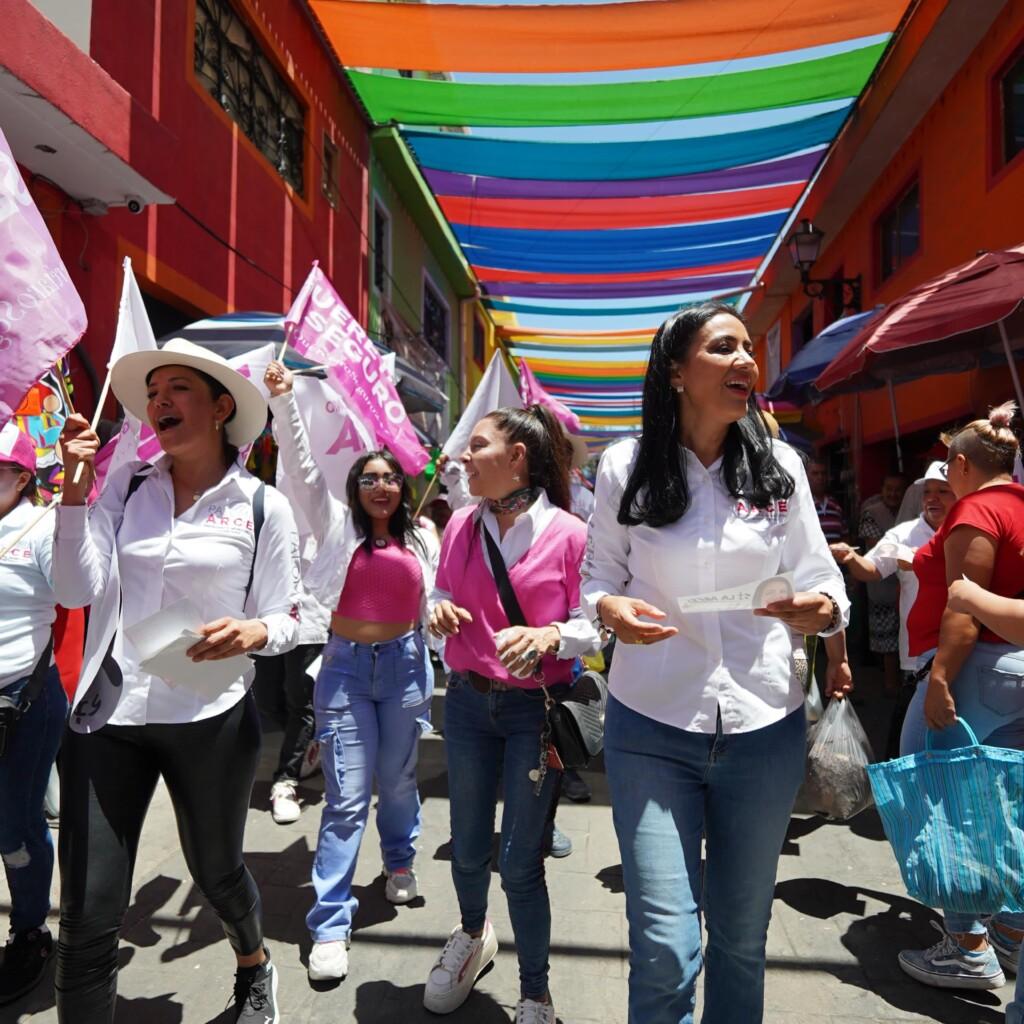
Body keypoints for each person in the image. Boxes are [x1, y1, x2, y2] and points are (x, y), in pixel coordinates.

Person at [581, 303, 849, 1024]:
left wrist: (818, 611)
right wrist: (610, 614)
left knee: (739, 939)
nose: (746, 363)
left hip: (765, 726)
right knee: (666, 946)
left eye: (749, 350)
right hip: (652, 726)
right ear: (676, 372)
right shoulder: (622, 465)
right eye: (723, 348)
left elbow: (825, 581)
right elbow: (597, 581)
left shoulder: (780, 465)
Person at [54, 339, 302, 1024]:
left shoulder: (261, 506)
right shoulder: (124, 486)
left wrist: (257, 633)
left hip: (211, 714)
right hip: (109, 714)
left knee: (217, 872)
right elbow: (74, 586)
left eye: (178, 389)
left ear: (222, 407)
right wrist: (74, 493)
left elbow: (290, 615)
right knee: (86, 912)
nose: (159, 400)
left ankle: (254, 964)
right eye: (153, 390)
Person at [424, 404, 600, 1024]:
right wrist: (437, 612)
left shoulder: (574, 536)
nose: (461, 458)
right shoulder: (460, 527)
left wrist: (551, 637)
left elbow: (596, 624)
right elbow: (440, 593)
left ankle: (536, 994)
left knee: (521, 863)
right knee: (468, 847)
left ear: (517, 456)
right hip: (469, 705)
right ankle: (472, 936)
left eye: (475, 445)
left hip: (537, 713)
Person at [264, 360, 439, 984]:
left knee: (395, 783)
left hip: (405, 668)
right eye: (370, 477)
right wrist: (284, 402)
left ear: (403, 487)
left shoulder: (425, 541)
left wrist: (441, 614)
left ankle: (398, 861)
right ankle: (330, 924)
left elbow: (435, 600)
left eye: (391, 477)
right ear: (356, 488)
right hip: (343, 671)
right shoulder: (334, 528)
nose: (382, 485)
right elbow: (305, 470)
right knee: (344, 799)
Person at [895, 402, 1024, 991]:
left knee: (942, 802)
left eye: (948, 467)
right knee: (1005, 809)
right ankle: (1012, 935)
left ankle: (968, 945)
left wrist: (941, 678)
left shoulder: (977, 508)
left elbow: (963, 603)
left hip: (973, 671)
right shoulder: (1019, 506)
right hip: (1011, 670)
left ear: (963, 464)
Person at [0, 424, 66, 1006]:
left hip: (25, 701)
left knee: (16, 827)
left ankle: (30, 931)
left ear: (22, 478)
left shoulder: (42, 526)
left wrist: (73, 513)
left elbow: (77, 588)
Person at [831, 461, 956, 756]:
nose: (932, 498)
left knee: (953, 733)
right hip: (917, 657)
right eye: (927, 492)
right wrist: (850, 558)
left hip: (964, 650)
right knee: (917, 737)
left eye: (942, 491)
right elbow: (872, 569)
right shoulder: (904, 533)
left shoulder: (967, 530)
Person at [858, 474, 908, 694]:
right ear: (882, 489)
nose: (893, 494)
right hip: (882, 585)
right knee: (886, 638)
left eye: (898, 490)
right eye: (889, 489)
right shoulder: (872, 512)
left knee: (904, 632)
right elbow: (875, 547)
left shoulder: (907, 512)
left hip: (905, 584)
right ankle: (890, 684)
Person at [807, 458, 847, 542]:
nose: (820, 477)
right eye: (815, 473)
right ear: (806, 477)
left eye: (823, 473)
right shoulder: (801, 505)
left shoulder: (835, 506)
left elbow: (845, 537)